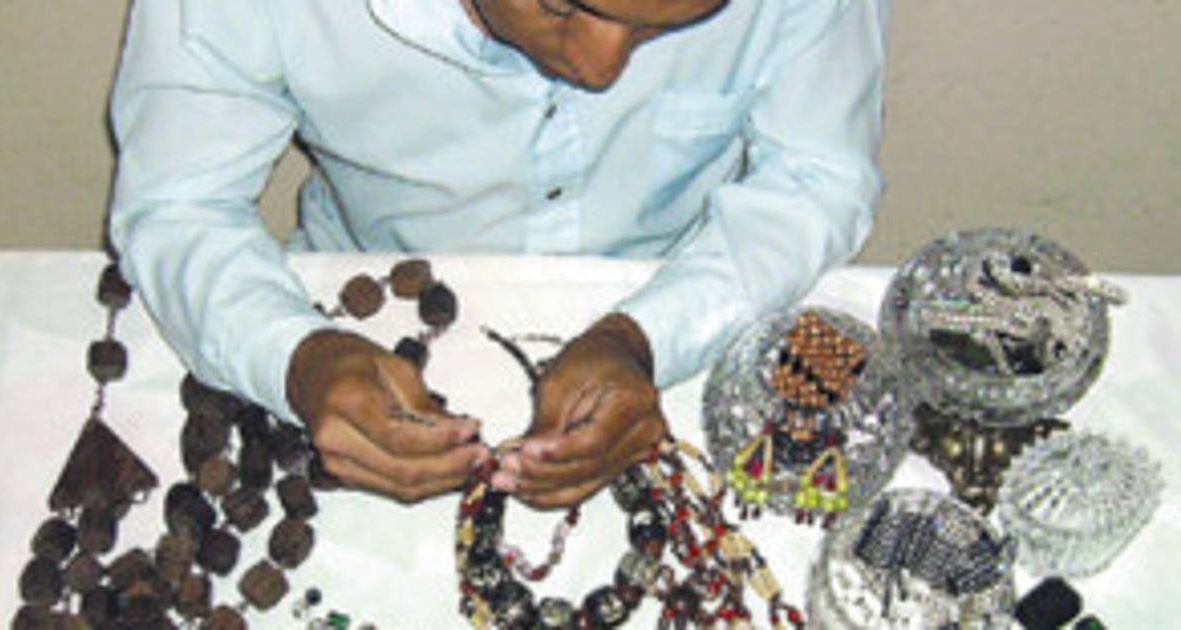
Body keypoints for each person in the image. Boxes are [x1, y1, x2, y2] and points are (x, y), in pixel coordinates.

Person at [108, 0, 887, 511]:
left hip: (694, 311)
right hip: (356, 319)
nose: (601, 67)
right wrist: (292, 356)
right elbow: (179, 204)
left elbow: (814, 181)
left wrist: (648, 335)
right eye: (559, 3)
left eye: (667, 25)